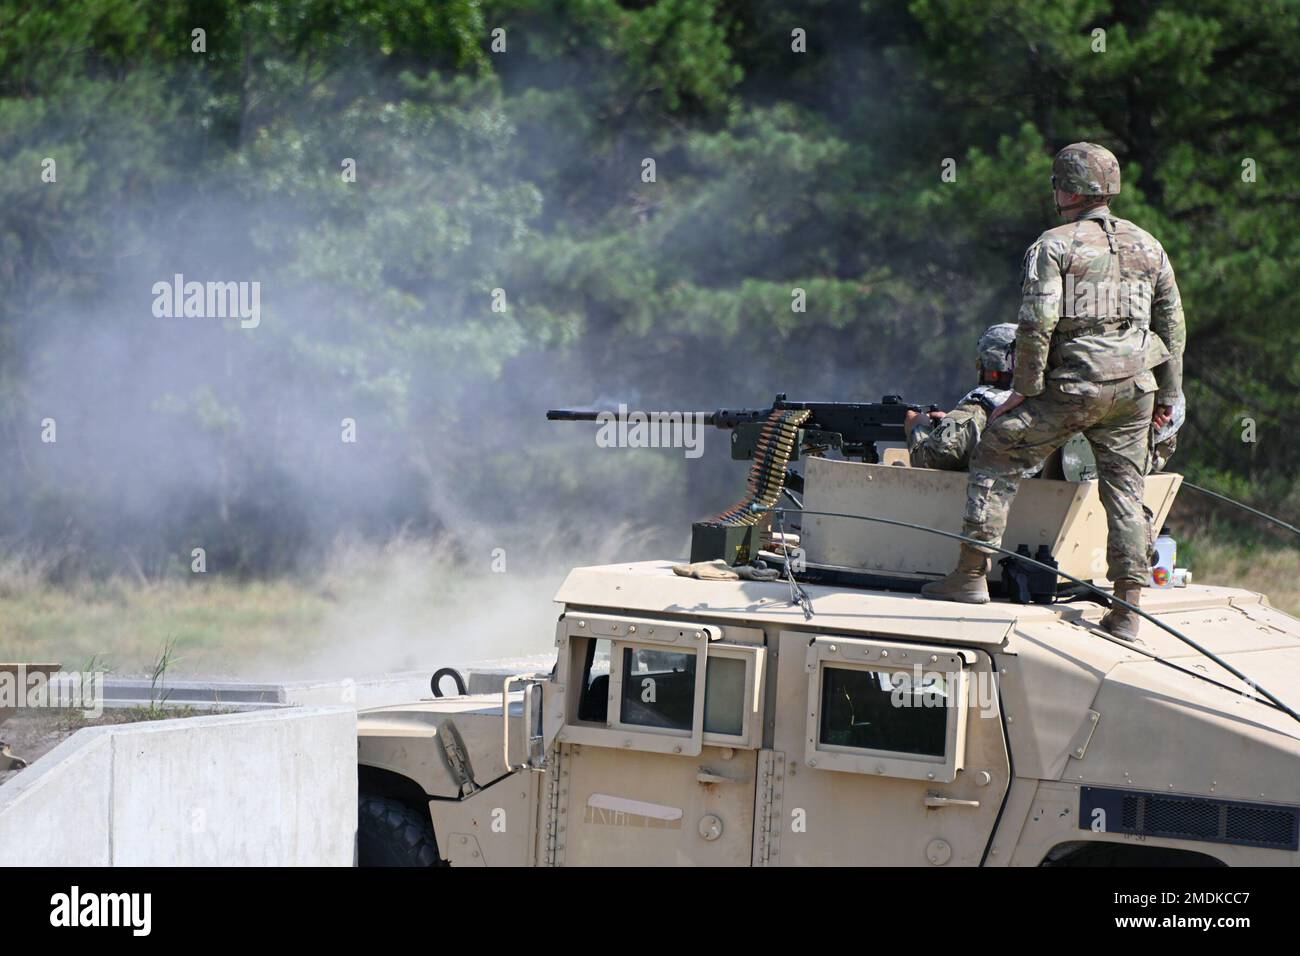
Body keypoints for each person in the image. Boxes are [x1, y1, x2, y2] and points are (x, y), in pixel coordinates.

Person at [921, 142, 1186, 642]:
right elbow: (1172, 328)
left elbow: (1036, 322)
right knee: (1126, 490)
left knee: (998, 449)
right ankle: (1127, 608)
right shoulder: (1149, 245)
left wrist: (1023, 391)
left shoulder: (1054, 245)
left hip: (1074, 384)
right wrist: (1169, 397)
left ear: (1065, 189)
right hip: (1136, 389)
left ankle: (971, 575)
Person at [905, 323, 1016, 471]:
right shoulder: (1040, 405)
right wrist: (951, 422)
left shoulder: (977, 408)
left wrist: (918, 426)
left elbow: (929, 459)